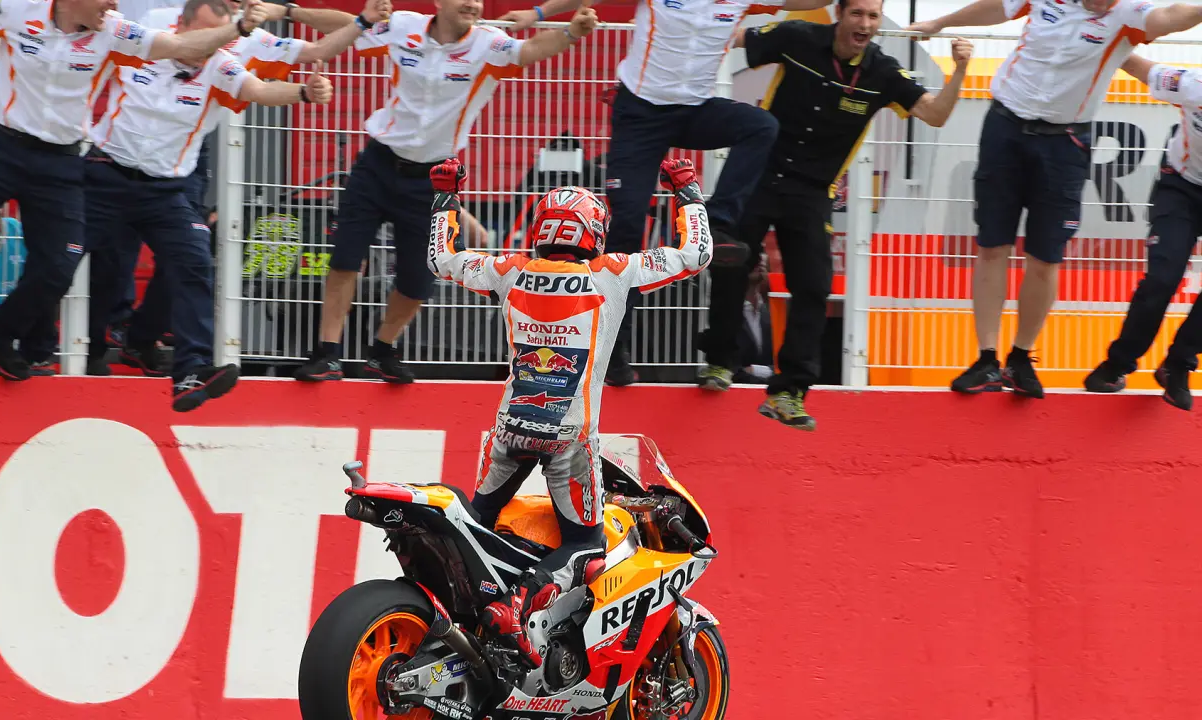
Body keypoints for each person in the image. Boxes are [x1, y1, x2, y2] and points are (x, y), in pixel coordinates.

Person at [425, 156, 712, 667]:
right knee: (586, 546)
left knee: (477, 525)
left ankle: (458, 614)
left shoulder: (510, 270)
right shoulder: (612, 273)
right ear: (593, 233)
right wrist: (686, 191)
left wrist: (445, 198)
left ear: (541, 229)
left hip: (508, 431)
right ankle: (520, 604)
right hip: (569, 438)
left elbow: (441, 260)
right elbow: (697, 253)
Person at [0, 0, 267, 379]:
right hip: (1, 149)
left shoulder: (115, 30)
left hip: (61, 162)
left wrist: (240, 31)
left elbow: (180, 46)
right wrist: (0, 46)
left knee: (58, 266)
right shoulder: (16, 7)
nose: (113, 4)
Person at [499, 0, 829, 386]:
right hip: (640, 114)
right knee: (626, 231)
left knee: (761, 126)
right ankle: (610, 350)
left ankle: (718, 223)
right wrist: (536, 14)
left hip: (696, 111)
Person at [75, 0, 387, 381]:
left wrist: (305, 16)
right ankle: (92, 345)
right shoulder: (160, 19)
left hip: (185, 149)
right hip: (120, 149)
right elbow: (104, 41)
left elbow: (318, 50)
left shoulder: (251, 40)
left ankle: (147, 340)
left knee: (190, 252)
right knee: (109, 255)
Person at [290, 0, 598, 385]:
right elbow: (350, 25)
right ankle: (326, 354)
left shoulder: (489, 42)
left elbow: (532, 49)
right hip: (377, 163)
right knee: (345, 258)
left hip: (431, 177)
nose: (473, 4)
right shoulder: (403, 25)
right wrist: (292, 12)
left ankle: (383, 351)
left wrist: (571, 32)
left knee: (419, 278)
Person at [908, 0, 1202, 400]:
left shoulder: (1127, 14)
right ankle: (986, 359)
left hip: (1065, 142)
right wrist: (940, 22)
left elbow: (1169, 18)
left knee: (1045, 258)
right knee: (992, 245)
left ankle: (1021, 358)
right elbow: (998, 7)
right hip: (1005, 125)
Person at [700, 0, 971, 431]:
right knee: (733, 262)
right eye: (857, 13)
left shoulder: (884, 72)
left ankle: (789, 392)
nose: (865, 24)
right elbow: (733, 40)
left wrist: (960, 70)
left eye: (873, 16)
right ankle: (719, 361)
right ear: (839, 14)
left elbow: (935, 115)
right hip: (760, 175)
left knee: (813, 285)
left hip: (812, 192)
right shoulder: (798, 36)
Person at [1083, 53, 1202, 411]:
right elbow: (1137, 66)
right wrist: (1112, 39)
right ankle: (1118, 364)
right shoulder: (1192, 85)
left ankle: (1178, 365)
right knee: (1162, 279)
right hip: (1181, 187)